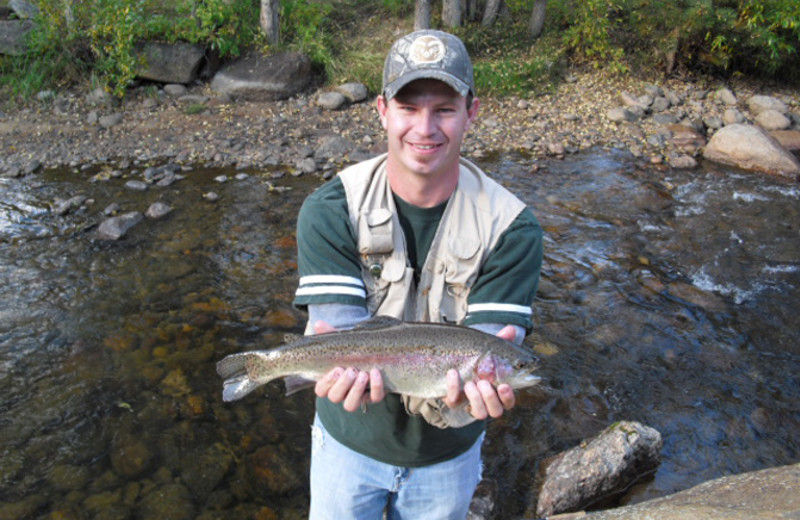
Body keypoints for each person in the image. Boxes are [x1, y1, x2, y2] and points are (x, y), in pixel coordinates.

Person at [293, 29, 543, 520]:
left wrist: (481, 391)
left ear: (472, 111)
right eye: (409, 108)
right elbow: (339, 338)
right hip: (347, 446)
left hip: (446, 460)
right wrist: (317, 364)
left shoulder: (513, 229)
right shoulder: (329, 210)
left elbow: (485, 357)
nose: (425, 128)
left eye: (444, 109)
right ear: (383, 110)